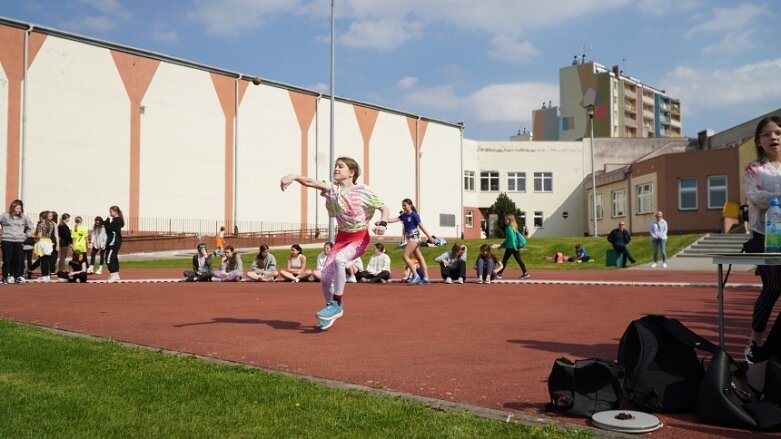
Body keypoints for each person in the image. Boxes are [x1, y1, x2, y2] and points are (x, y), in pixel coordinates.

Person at [281, 156, 389, 330]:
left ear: (351, 173)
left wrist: (383, 224)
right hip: (341, 239)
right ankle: (330, 310)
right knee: (325, 278)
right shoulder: (332, 188)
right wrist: (293, 176)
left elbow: (384, 208)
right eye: (335, 166)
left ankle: (337, 303)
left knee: (340, 260)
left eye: (341, 167)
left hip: (359, 238)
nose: (336, 169)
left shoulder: (363, 190)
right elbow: (310, 181)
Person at [743, 115, 781, 362]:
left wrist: (773, 194)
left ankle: (772, 348)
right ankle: (754, 342)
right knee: (774, 286)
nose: (774, 137)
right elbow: (755, 196)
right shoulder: (753, 169)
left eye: (778, 132)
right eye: (767, 134)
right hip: (765, 237)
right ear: (759, 141)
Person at [385, 198, 433, 285]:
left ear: (410, 205)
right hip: (410, 237)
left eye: (405, 205)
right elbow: (393, 220)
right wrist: (382, 221)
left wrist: (430, 237)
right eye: (402, 205)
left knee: (405, 256)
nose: (403, 207)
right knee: (419, 258)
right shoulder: (403, 216)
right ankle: (426, 277)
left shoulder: (414, 215)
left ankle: (415, 275)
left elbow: (422, 227)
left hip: (414, 237)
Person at [0, 199, 34, 284]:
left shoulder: (24, 217)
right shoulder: (5, 216)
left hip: (19, 240)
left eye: (20, 208)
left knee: (17, 260)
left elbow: (30, 226)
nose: (19, 210)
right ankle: (5, 277)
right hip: (7, 240)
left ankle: (17, 276)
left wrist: (26, 235)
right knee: (7, 260)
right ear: (13, 208)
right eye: (18, 208)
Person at [493, 214, 530, 279]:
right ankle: (525, 273)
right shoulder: (513, 227)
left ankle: (499, 274)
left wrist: (513, 247)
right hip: (512, 247)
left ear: (509, 220)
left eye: (505, 219)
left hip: (512, 247)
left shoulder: (509, 228)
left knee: (506, 260)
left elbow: (512, 239)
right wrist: (502, 245)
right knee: (515, 260)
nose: (504, 220)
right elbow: (508, 239)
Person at [33, 210, 56, 282]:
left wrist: (33, 236)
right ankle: (47, 276)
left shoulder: (40, 225)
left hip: (42, 242)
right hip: (48, 241)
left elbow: (39, 236)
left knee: (42, 260)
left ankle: (44, 276)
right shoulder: (52, 224)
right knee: (47, 260)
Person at [104, 205, 124, 283]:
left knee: (108, 258)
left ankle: (113, 274)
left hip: (113, 242)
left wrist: (107, 219)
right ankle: (116, 274)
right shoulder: (117, 220)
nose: (110, 213)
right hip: (115, 241)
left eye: (111, 211)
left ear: (115, 212)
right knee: (114, 258)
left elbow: (108, 228)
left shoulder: (116, 220)